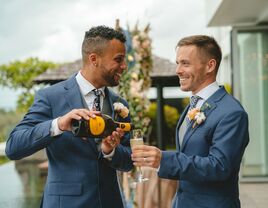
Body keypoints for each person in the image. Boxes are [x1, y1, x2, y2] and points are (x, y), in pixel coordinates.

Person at [5, 25, 133, 208]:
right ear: (94, 59)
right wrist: (58, 125)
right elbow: (13, 147)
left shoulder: (120, 105)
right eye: (118, 59)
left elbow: (128, 162)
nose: (124, 66)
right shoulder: (50, 97)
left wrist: (110, 151)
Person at [131, 35, 249, 208]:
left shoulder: (232, 113)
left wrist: (164, 160)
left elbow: (220, 166)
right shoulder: (193, 105)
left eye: (185, 63)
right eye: (178, 63)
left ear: (210, 65)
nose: (178, 70)